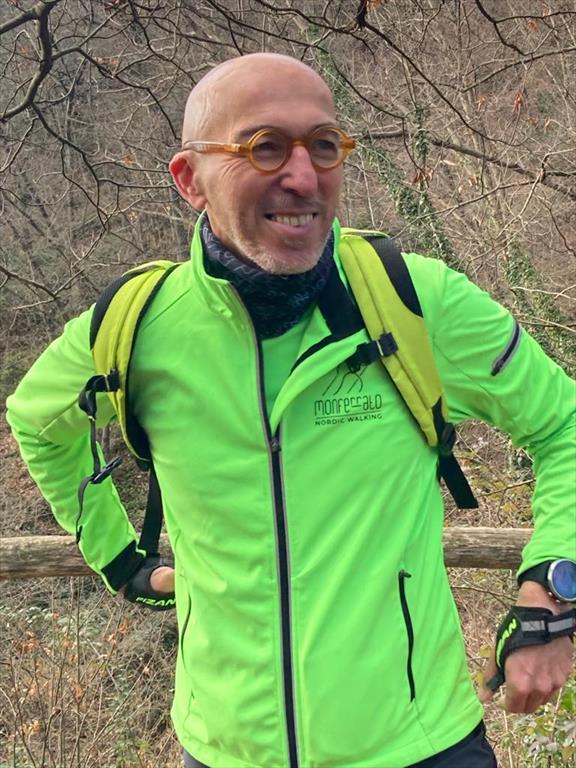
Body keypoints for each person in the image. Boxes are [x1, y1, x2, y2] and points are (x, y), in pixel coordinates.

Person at [6, 53, 575, 768]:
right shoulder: (135, 326)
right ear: (190, 179)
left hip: (421, 742)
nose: (304, 177)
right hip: (223, 746)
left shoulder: (415, 301)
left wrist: (552, 596)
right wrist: (118, 557)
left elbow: (564, 423)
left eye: (324, 145)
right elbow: (36, 422)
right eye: (265, 146)